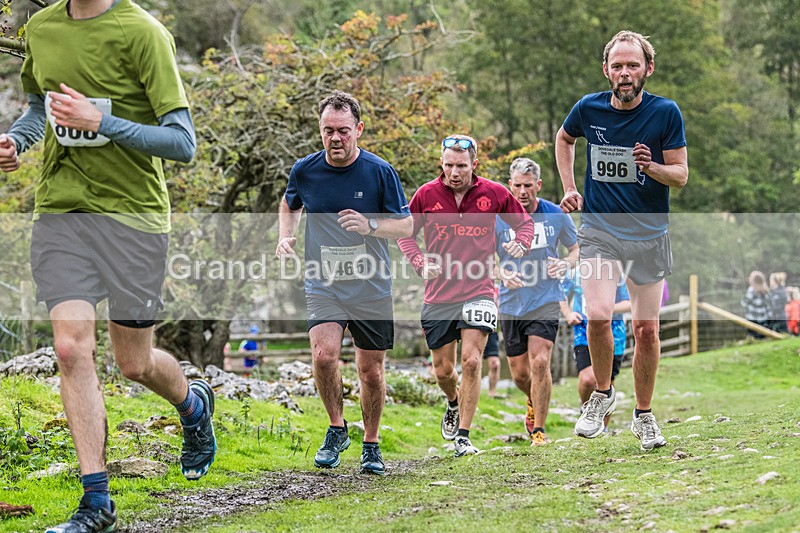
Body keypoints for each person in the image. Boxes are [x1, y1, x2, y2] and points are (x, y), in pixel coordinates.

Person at [0, 0, 215, 530]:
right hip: (62, 211)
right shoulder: (42, 29)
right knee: (71, 347)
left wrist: (103, 120)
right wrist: (18, 139)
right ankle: (96, 502)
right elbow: (38, 106)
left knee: (134, 365)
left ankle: (192, 405)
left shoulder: (143, 33)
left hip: (133, 221)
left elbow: (182, 143)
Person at [556, 30, 688, 451]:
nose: (625, 73)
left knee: (646, 330)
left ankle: (644, 416)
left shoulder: (665, 113)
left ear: (648, 69)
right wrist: (569, 186)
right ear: (606, 70)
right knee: (597, 313)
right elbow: (564, 138)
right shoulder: (588, 108)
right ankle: (601, 393)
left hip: (649, 236)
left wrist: (652, 168)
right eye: (618, 65)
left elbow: (681, 176)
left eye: (633, 65)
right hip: (599, 232)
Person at [275, 91, 412, 475]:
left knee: (370, 371)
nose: (335, 138)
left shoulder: (379, 171)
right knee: (324, 355)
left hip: (371, 286)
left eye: (343, 131)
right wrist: (286, 235)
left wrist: (370, 225)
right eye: (328, 131)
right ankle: (337, 428)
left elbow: (405, 224)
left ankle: (371, 442)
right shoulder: (305, 169)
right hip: (325, 282)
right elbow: (290, 203)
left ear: (359, 130)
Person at [397, 134, 535, 457]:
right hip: (439, 293)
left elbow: (525, 224)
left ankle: (463, 436)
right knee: (443, 371)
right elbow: (406, 235)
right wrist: (419, 261)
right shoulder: (425, 195)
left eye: (461, 165)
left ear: (475, 164)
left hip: (480, 289)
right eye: (448, 166)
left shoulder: (495, 193)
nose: (454, 172)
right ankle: (453, 401)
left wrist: (522, 243)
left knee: (472, 361)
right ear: (440, 165)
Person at [494, 157, 579, 446]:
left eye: (528, 186)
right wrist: (501, 272)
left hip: (546, 298)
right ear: (509, 185)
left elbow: (576, 248)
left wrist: (566, 264)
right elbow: (480, 258)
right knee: (519, 373)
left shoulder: (555, 214)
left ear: (538, 185)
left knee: (540, 362)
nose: (522, 191)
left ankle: (539, 430)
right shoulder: (497, 218)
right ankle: (533, 399)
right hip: (510, 302)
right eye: (517, 185)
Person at [563, 271, 631, 430]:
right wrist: (567, 313)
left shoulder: (617, 273)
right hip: (583, 333)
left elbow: (629, 302)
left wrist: (605, 308)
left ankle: (603, 427)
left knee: (608, 380)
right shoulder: (576, 273)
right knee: (588, 379)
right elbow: (560, 293)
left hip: (614, 334)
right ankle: (586, 410)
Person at [741, 270, 770, 337]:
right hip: (763, 319)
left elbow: (744, 303)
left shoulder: (751, 291)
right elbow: (768, 306)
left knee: (753, 337)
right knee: (763, 337)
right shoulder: (765, 291)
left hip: (752, 318)